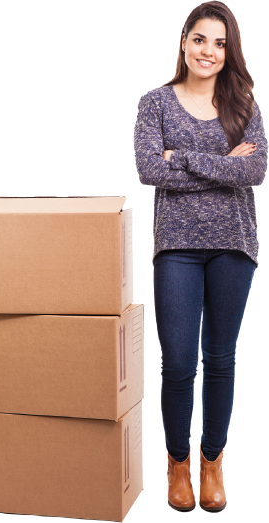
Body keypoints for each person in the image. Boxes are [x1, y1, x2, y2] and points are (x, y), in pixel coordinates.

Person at [133, 0, 268, 514]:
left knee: (221, 359)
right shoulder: (154, 104)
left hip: (235, 243)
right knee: (179, 363)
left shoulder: (244, 105)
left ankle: (212, 462)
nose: (209, 51)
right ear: (183, 41)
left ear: (228, 50)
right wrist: (219, 163)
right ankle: (178, 462)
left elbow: (254, 173)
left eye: (220, 43)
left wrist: (182, 158)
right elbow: (149, 170)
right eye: (200, 39)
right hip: (177, 247)